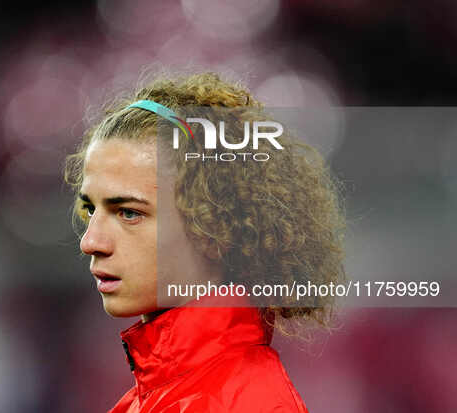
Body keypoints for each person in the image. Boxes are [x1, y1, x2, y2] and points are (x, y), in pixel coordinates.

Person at [64, 70, 345, 412]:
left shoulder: (251, 404)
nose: (90, 241)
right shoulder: (146, 400)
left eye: (129, 213)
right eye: (91, 209)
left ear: (216, 226)